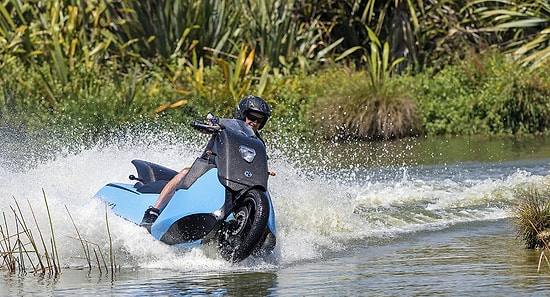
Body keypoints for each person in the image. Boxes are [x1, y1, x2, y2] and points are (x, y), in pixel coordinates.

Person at [140, 95, 271, 231]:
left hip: (237, 176)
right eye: (252, 117)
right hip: (211, 165)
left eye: (260, 120)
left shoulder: (258, 142)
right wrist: (207, 126)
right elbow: (211, 125)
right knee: (185, 172)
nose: (255, 122)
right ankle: (154, 211)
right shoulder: (226, 125)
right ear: (242, 114)